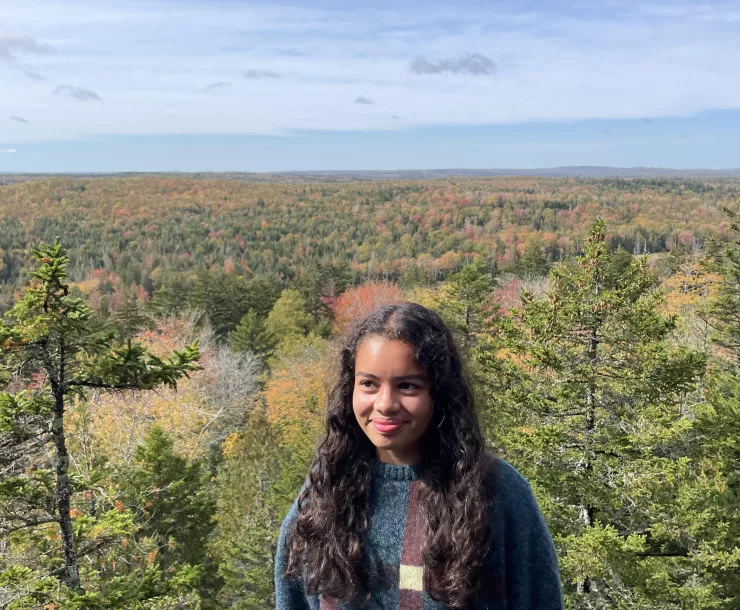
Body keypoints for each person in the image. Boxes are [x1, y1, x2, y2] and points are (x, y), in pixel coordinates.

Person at [274, 302, 563, 609]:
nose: (385, 404)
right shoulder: (325, 491)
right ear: (350, 390)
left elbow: (539, 598)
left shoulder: (496, 491)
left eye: (407, 386)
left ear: (439, 392)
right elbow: (292, 598)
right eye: (369, 384)